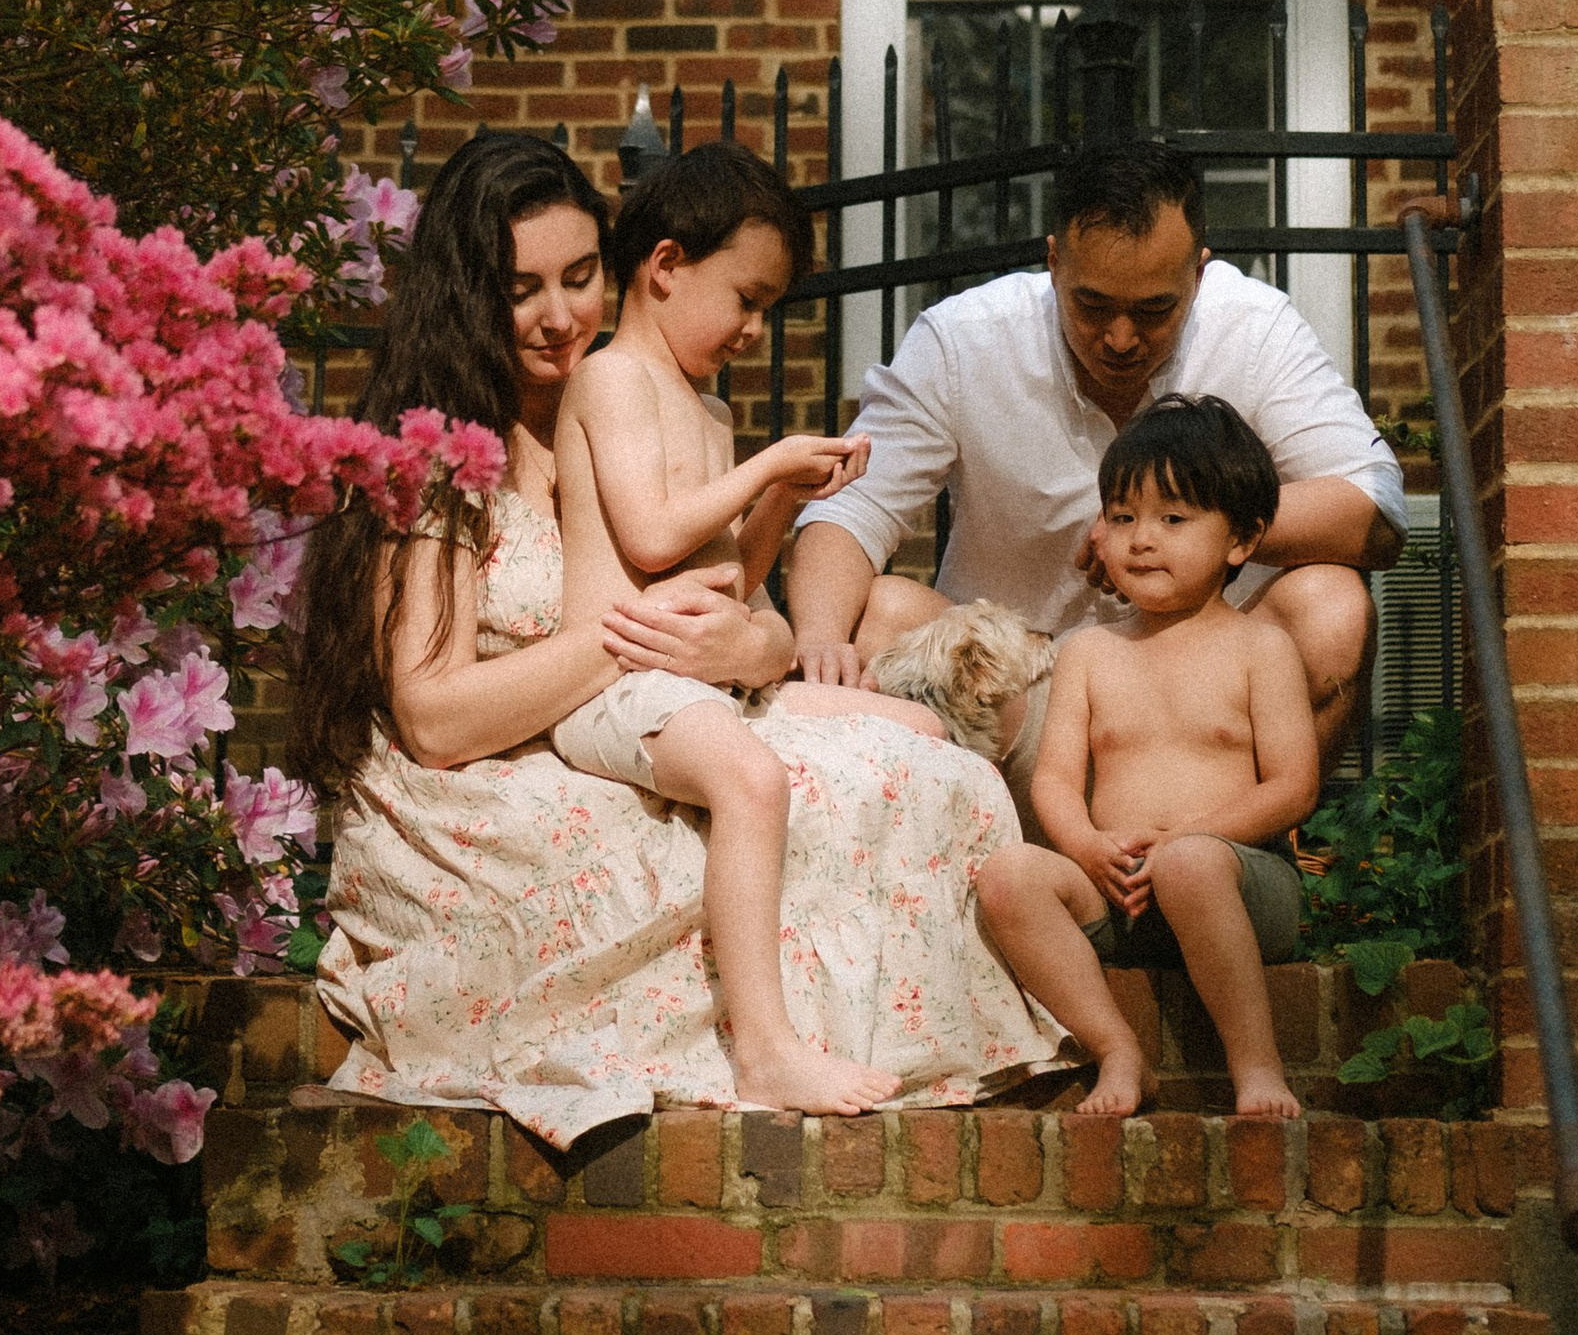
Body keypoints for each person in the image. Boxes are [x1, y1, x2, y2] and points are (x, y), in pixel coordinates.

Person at [294, 132, 1069, 1146]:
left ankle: (916, 1033)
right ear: (464, 290)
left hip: (656, 707)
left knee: (926, 760)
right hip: (503, 768)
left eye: (579, 276)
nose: (561, 313)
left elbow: (730, 607)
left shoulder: (627, 405)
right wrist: (636, 644)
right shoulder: (441, 459)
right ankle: (770, 1043)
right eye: (521, 287)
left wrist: (746, 646)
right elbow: (435, 718)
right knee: (787, 794)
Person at [552, 144, 950, 1118]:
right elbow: (647, 534)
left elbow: (735, 578)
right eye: (746, 297)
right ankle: (766, 1050)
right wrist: (769, 463)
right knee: (752, 778)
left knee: (926, 733)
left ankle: (888, 1007)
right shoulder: (611, 381)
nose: (755, 329)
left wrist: (785, 494)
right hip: (615, 687)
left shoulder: (709, 408)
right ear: (664, 266)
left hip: (702, 681)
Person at [788, 137, 1405, 767]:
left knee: (1332, 606)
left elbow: (1377, 509)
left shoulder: (1255, 326)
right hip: (1015, 696)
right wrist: (816, 638)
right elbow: (848, 512)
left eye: (1154, 310)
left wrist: (1180, 525)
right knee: (883, 615)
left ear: (1198, 273)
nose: (1119, 338)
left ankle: (1234, 841)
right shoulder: (962, 341)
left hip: (1204, 708)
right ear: (1053, 263)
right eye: (1092, 305)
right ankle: (982, 845)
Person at [982, 396, 1318, 1122]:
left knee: (1192, 865)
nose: (1140, 540)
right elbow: (1056, 781)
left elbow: (1293, 787)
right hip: (1123, 891)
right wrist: (1086, 847)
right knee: (1011, 875)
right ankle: (1117, 1049)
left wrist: (1193, 839)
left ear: (1241, 540)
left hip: (1235, 882)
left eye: (1173, 519)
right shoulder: (1091, 653)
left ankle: (1256, 1068)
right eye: (1122, 516)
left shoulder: (1262, 646)